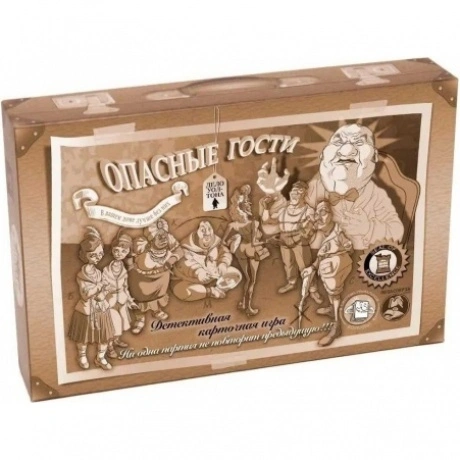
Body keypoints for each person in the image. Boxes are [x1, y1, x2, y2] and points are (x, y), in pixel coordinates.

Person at [305, 123, 404, 250]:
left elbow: (397, 231)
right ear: (322, 154)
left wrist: (368, 228)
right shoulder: (314, 188)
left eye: (358, 142)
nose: (346, 150)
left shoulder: (375, 194)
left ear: (374, 156)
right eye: (338, 142)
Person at [299, 201, 353, 346]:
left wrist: (345, 247)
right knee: (331, 291)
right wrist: (312, 268)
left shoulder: (338, 233)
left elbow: (348, 248)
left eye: (323, 212)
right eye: (317, 213)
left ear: (332, 214)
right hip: (328, 266)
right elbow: (322, 254)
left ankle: (336, 326)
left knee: (334, 292)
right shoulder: (326, 234)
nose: (318, 217)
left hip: (337, 265)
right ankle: (332, 308)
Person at [260, 180, 322, 303]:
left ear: (304, 194)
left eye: (298, 192)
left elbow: (315, 225)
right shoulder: (284, 210)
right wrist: (265, 208)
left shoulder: (308, 210)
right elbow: (267, 220)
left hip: (300, 240)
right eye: (293, 192)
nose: (294, 195)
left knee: (305, 266)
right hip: (284, 239)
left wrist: (307, 230)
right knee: (288, 263)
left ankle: (313, 290)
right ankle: (291, 282)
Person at [68, 226, 114, 371]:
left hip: (100, 308)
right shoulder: (82, 274)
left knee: (104, 335)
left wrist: (105, 290)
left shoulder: (98, 272)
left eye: (100, 254)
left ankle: (100, 357)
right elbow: (86, 294)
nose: (98, 257)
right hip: (87, 310)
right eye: (93, 255)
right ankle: (82, 355)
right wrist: (100, 286)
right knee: (83, 335)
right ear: (84, 255)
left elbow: (100, 293)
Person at [126, 219, 183, 334]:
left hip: (161, 277)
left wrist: (171, 260)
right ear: (151, 240)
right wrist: (131, 267)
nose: (163, 239)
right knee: (140, 296)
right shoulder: (141, 245)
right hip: (142, 279)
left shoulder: (169, 239)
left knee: (158, 295)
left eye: (164, 236)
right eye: (159, 237)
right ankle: (140, 318)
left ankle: (156, 310)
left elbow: (179, 251)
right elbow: (129, 257)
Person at [222, 185, 269, 316]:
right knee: (251, 280)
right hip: (251, 250)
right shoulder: (253, 223)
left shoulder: (232, 225)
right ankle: (248, 307)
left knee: (247, 279)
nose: (250, 204)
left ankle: (243, 303)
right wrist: (268, 242)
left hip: (240, 250)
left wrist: (234, 240)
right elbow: (254, 242)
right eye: (247, 203)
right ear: (241, 207)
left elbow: (223, 242)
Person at [172, 220, 242, 301]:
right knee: (183, 292)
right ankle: (210, 292)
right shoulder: (185, 248)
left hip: (214, 276)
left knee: (236, 274)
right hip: (190, 279)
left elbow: (224, 252)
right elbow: (186, 264)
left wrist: (223, 263)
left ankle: (219, 288)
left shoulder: (216, 242)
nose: (207, 244)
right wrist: (199, 273)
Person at [102, 230, 137, 358]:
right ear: (112, 250)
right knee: (113, 326)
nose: (119, 253)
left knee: (121, 323)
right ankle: (110, 347)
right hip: (110, 301)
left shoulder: (123, 268)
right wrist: (108, 294)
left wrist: (130, 300)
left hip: (122, 300)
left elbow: (125, 286)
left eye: (123, 251)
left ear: (128, 252)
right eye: (116, 250)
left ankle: (116, 341)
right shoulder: (106, 269)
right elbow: (103, 286)